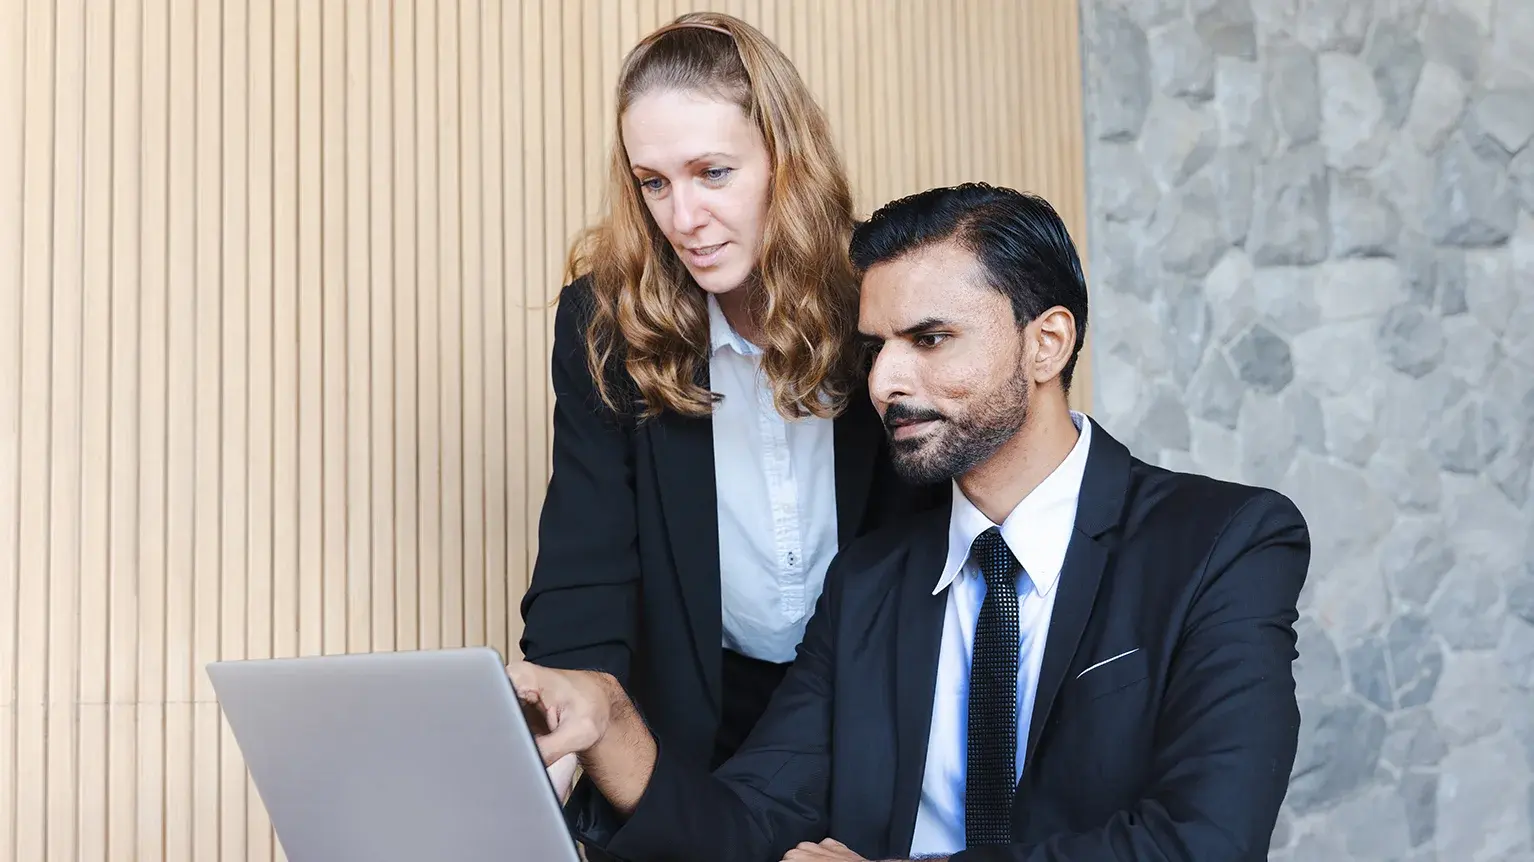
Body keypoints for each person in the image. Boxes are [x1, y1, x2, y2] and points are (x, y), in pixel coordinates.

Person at [509, 183, 1311, 862]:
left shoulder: (1222, 543)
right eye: (876, 347)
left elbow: (1202, 841)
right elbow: (744, 824)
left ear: (1047, 343)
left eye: (930, 339)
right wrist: (611, 724)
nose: (887, 379)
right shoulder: (868, 582)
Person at [517, 8, 943, 836]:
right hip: (691, 721)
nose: (682, 219)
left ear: (786, 158)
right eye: (655, 182)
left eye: (713, 172)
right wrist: (557, 755)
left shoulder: (884, 294)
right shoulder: (604, 323)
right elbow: (586, 566)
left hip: (875, 702)